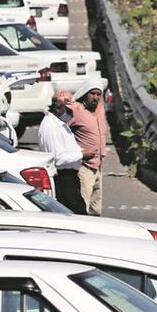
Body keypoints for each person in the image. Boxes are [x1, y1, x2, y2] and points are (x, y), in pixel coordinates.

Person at [38, 90, 86, 214]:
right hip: (63, 179)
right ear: (59, 108)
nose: (72, 113)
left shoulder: (59, 124)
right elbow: (57, 159)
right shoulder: (50, 126)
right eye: (69, 110)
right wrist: (82, 155)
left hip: (70, 177)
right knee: (76, 214)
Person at [69, 79, 109, 216]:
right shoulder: (76, 110)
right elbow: (60, 127)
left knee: (96, 209)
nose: (96, 97)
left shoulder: (100, 109)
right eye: (92, 94)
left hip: (98, 165)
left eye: (98, 94)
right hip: (84, 166)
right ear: (85, 94)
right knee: (83, 207)